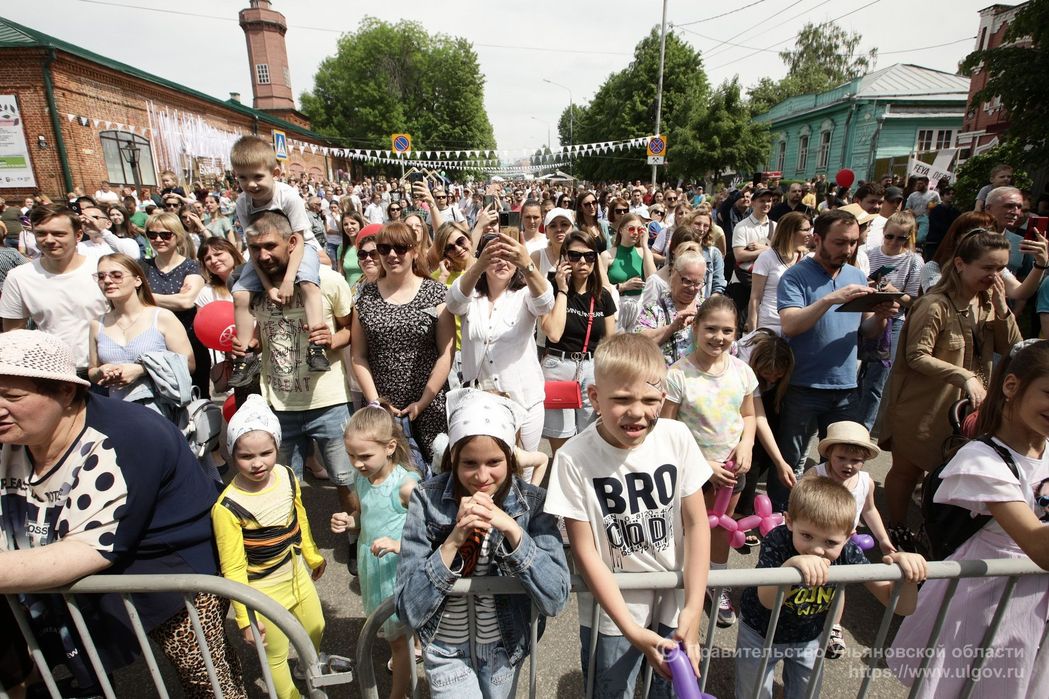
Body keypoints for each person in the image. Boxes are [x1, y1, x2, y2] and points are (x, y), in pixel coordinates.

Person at [0, 330, 246, 698]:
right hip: (66, 565)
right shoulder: (16, 434)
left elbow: (88, 549)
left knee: (205, 673)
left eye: (12, 396)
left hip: (172, 570)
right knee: (76, 666)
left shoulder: (128, 437)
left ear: (65, 392)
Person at [545, 334, 710, 698]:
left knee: (671, 690)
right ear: (594, 398)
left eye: (650, 400)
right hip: (614, 611)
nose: (637, 412)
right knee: (611, 690)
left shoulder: (677, 437)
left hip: (675, 600)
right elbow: (584, 551)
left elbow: (698, 524)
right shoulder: (572, 458)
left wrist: (694, 608)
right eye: (621, 399)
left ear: (662, 398)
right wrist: (631, 629)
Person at [888, 339, 1049, 697]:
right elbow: (1040, 547)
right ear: (1011, 386)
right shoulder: (981, 460)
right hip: (981, 604)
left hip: (1034, 608)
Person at [396, 388, 570, 699]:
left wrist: (513, 531)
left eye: (494, 462)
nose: (482, 475)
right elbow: (408, 608)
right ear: (453, 458)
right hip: (446, 649)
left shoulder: (533, 503)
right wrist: (454, 539)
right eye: (469, 463)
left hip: (504, 647)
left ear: (510, 458)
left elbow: (555, 597)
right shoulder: (426, 498)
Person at [880, 230, 1022, 551]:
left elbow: (1013, 348)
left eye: (1001, 268)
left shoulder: (988, 303)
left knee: (950, 476)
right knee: (907, 472)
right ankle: (896, 528)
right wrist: (962, 376)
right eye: (988, 267)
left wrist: (1002, 308)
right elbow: (917, 355)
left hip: (968, 413)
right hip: (923, 408)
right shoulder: (934, 305)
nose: (995, 276)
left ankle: (933, 534)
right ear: (960, 264)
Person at [736, 477, 926, 699]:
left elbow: (901, 607)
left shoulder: (848, 552)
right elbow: (767, 600)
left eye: (830, 542)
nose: (817, 550)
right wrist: (790, 567)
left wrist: (908, 576)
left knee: (806, 693)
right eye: (807, 536)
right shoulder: (778, 541)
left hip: (808, 636)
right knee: (753, 693)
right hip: (760, 632)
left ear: (849, 535)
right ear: (789, 522)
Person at [772, 209, 898, 512]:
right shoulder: (795, 276)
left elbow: (867, 330)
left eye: (853, 242)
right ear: (817, 239)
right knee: (791, 460)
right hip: (802, 385)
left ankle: (828, 517)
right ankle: (780, 517)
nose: (848, 249)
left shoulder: (856, 275)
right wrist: (831, 298)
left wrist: (881, 316)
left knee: (839, 463)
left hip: (844, 387)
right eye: (840, 242)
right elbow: (790, 325)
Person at [213, 395, 327, 699]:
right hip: (262, 591)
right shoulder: (227, 507)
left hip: (297, 575)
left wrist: (312, 556)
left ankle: (306, 667)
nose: (258, 463)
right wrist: (244, 618)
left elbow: (299, 517)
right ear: (231, 452)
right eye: (246, 456)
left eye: (266, 452)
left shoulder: (287, 475)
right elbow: (233, 567)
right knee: (275, 655)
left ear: (277, 446)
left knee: (316, 627)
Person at [241, 211, 355, 507]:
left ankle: (355, 532)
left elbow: (350, 329)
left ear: (291, 243)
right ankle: (291, 534)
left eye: (270, 246)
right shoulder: (252, 288)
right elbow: (262, 332)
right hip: (278, 405)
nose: (263, 255)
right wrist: (250, 344)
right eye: (255, 248)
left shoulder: (328, 281)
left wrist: (332, 340)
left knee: (346, 481)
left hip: (329, 403)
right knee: (282, 487)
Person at [662, 295, 757, 629]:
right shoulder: (678, 374)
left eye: (727, 331)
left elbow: (749, 415)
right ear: (696, 328)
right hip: (692, 472)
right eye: (711, 329)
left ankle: (716, 584)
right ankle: (683, 588)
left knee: (721, 530)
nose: (719, 337)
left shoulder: (742, 372)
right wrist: (702, 465)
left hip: (731, 471)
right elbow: (667, 428)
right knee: (689, 531)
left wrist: (747, 444)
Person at [329, 404, 420, 698]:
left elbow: (431, 533)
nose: (357, 463)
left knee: (398, 640)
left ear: (390, 447)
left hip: (397, 570)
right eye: (351, 455)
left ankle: (397, 694)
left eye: (365, 456)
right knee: (398, 630)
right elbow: (365, 514)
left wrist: (398, 545)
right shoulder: (363, 478)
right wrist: (349, 521)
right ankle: (415, 645)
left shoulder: (406, 487)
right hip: (374, 565)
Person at [351, 221, 455, 464]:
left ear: (414, 251)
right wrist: (377, 403)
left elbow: (446, 352)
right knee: (387, 474)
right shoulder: (365, 296)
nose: (392, 255)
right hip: (382, 406)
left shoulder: (436, 292)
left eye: (400, 248)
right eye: (384, 249)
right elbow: (358, 355)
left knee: (435, 472)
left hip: (429, 403)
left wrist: (423, 402)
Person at [228, 137, 330, 382]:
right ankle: (245, 357)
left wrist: (287, 281)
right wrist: (267, 286)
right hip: (263, 250)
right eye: (243, 178)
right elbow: (253, 246)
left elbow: (299, 239)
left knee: (308, 284)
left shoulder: (288, 196)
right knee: (240, 293)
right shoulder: (242, 202)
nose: (250, 184)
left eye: (257, 177)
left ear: (274, 173)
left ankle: (316, 347)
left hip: (301, 247)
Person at [447, 231, 553, 454]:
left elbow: (545, 303)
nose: (503, 262)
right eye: (495, 256)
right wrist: (477, 266)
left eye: (509, 256)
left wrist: (526, 264)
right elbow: (453, 303)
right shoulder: (471, 295)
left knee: (524, 466)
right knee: (491, 464)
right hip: (483, 402)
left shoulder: (524, 294)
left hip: (524, 400)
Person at [802, 421, 896, 659]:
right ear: (829, 454)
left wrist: (883, 539)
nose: (848, 465)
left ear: (865, 460)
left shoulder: (865, 482)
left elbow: (869, 510)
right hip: (814, 542)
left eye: (856, 460)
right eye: (841, 458)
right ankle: (798, 616)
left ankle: (834, 625)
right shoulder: (816, 475)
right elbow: (798, 504)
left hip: (843, 543)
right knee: (806, 579)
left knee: (837, 584)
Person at [0, 204, 108, 373]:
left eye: (58, 234)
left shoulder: (103, 270)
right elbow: (14, 334)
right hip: (54, 372)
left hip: (105, 368)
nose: (49, 240)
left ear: (78, 235)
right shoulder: (19, 277)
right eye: (41, 233)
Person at [538, 231, 617, 457]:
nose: (582, 261)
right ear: (564, 258)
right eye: (575, 256)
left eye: (589, 256)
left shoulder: (602, 296)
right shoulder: (550, 289)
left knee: (590, 437)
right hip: (558, 367)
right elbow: (553, 333)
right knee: (561, 445)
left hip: (591, 368)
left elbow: (610, 343)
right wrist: (562, 289)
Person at [89, 253, 194, 407]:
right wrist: (101, 372)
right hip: (117, 409)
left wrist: (142, 369)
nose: (107, 281)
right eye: (101, 276)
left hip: (160, 409)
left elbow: (189, 364)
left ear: (137, 281)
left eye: (116, 275)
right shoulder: (97, 324)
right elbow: (92, 369)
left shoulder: (162, 317)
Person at [853, 211, 925, 431]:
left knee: (876, 380)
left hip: (893, 322)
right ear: (883, 233)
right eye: (890, 236)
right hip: (863, 315)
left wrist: (893, 291)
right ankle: (849, 422)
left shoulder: (914, 261)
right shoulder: (868, 254)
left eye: (901, 238)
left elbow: (914, 301)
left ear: (909, 237)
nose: (894, 242)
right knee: (855, 375)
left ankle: (863, 429)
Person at [142, 211, 210, 395]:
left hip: (191, 343)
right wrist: (173, 299)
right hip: (154, 344)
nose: (158, 239)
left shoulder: (192, 266)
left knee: (197, 397)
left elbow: (186, 302)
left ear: (178, 236)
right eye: (152, 234)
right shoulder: (142, 267)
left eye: (165, 235)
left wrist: (145, 297)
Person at [634, 251, 706, 366]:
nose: (692, 288)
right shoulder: (653, 309)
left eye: (697, 283)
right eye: (687, 281)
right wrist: (672, 328)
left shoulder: (707, 309)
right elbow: (637, 344)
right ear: (673, 274)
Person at [746, 212, 812, 335]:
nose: (810, 234)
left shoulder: (808, 258)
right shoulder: (766, 258)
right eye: (806, 230)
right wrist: (752, 333)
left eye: (810, 229)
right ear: (790, 232)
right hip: (770, 325)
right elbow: (755, 298)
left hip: (798, 325)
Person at [606, 214, 656, 301]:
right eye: (631, 229)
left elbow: (653, 281)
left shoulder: (644, 252)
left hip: (639, 305)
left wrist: (645, 245)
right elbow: (601, 287)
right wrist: (623, 286)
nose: (636, 233)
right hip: (615, 304)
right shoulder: (607, 255)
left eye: (639, 229)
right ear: (621, 230)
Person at [336, 211, 367, 286]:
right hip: (349, 291)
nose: (349, 227)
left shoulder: (368, 246)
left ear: (360, 224)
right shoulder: (341, 248)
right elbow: (341, 275)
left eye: (352, 223)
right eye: (345, 224)